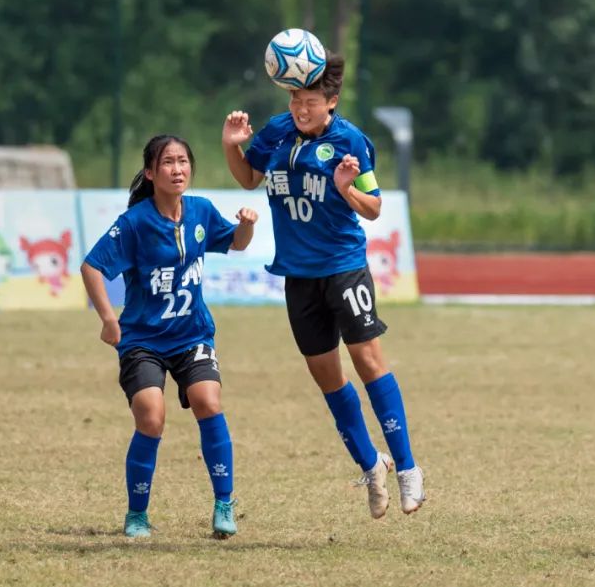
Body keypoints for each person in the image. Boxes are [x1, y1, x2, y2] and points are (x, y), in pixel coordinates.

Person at [221, 47, 425, 519]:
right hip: (297, 275)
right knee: (327, 378)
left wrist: (345, 189)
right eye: (295, 97)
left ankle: (410, 470)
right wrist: (232, 146)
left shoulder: (352, 140)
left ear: (331, 101)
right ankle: (372, 464)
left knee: (369, 361)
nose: (300, 107)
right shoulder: (274, 132)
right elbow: (249, 178)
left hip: (343, 266)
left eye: (310, 99)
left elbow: (374, 207)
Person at [81, 134, 258, 539]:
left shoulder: (200, 211)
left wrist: (246, 226)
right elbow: (92, 268)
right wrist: (109, 319)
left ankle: (224, 504)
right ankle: (137, 515)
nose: (177, 169)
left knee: (208, 402)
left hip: (192, 334)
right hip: (142, 340)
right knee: (151, 416)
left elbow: (235, 243)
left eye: (183, 161)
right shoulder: (134, 223)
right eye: (167, 163)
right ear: (150, 172)